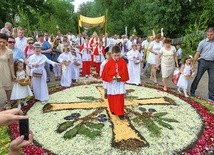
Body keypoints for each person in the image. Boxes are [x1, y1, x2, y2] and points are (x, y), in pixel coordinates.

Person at [101, 46, 129, 120]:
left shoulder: (122, 62)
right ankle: (113, 110)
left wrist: (120, 75)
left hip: (119, 83)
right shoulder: (109, 63)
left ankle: (120, 112)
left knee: (119, 97)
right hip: (112, 83)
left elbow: (125, 72)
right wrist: (112, 76)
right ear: (112, 54)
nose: (117, 57)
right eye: (115, 55)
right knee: (112, 97)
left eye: (118, 55)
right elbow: (105, 74)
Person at [190, 27, 214, 104]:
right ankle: (192, 91)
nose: (209, 36)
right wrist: (193, 64)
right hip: (203, 62)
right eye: (208, 35)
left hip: (212, 63)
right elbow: (197, 53)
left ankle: (211, 97)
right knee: (198, 77)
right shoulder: (202, 42)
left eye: (211, 34)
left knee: (212, 80)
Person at [0, 33, 16, 110]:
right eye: (0, 41)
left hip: (5, 71)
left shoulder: (9, 51)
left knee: (8, 89)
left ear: (6, 42)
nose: (2, 43)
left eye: (3, 42)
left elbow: (11, 64)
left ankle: (9, 102)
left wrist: (12, 74)